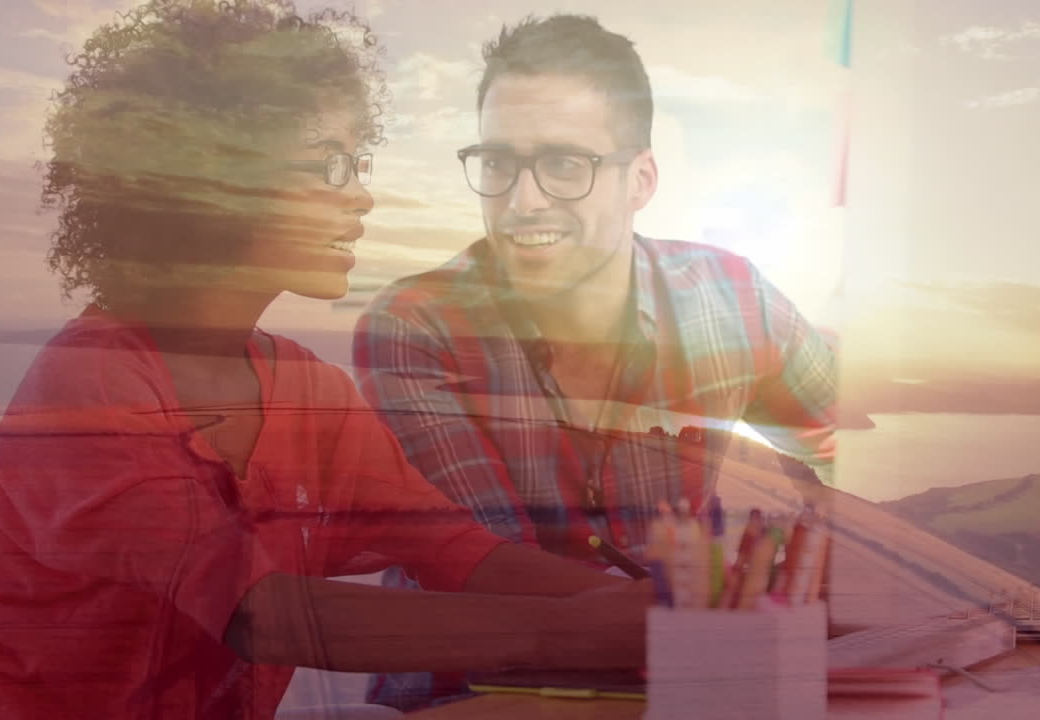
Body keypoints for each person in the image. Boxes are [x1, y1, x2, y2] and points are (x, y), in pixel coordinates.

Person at [0, 3, 648, 719]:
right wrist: (579, 631)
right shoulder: (93, 383)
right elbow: (261, 616)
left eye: (358, 165)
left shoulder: (310, 390)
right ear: (209, 176)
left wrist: (654, 612)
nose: (362, 197)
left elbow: (455, 550)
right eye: (331, 165)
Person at [353, 12, 837, 709]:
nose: (521, 201)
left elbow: (840, 448)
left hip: (683, 680)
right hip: (472, 694)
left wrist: (808, 568)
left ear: (641, 179)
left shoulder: (733, 299)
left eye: (563, 164)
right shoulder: (417, 323)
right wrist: (712, 616)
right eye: (497, 163)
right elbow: (483, 562)